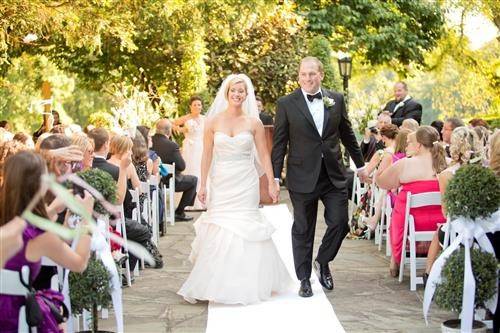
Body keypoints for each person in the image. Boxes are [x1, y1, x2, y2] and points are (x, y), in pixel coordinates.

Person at [178, 74, 292, 305]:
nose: (237, 94)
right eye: (234, 91)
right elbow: (207, 154)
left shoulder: (254, 123)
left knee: (245, 224)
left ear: (246, 95)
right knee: (220, 225)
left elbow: (263, 155)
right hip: (221, 181)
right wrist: (202, 184)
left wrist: (272, 182)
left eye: (241, 91)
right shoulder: (213, 121)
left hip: (245, 181)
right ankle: (215, 281)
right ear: (227, 93)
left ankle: (249, 281)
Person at [272, 56, 368, 297]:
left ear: (321, 75)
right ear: (298, 77)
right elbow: (280, 142)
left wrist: (361, 165)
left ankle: (323, 260)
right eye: (303, 74)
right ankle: (304, 279)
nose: (308, 78)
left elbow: (347, 134)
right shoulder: (286, 103)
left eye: (312, 74)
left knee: (340, 223)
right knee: (303, 228)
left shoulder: (335, 99)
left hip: (333, 175)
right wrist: (275, 177)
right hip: (301, 175)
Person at [0, 151, 94, 332]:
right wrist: (87, 218)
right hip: (17, 318)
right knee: (58, 319)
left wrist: (55, 210)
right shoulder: (37, 236)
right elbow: (79, 263)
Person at [376, 126, 447, 277]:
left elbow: (382, 183)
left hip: (412, 225)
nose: (406, 146)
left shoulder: (405, 164)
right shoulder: (446, 164)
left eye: (409, 143)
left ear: (419, 145)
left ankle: (395, 261)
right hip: (440, 225)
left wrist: (380, 170)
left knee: (397, 211)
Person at [424, 127, 483, 279]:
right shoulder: (485, 171)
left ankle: (428, 274)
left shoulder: (446, 175)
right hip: (484, 230)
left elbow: (446, 211)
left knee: (439, 232)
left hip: (458, 232)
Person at [152, 119, 197, 222]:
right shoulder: (171, 145)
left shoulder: (148, 141)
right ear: (169, 131)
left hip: (152, 180)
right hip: (168, 180)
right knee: (193, 180)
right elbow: (182, 166)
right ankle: (179, 212)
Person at [173, 96, 206, 210]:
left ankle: (201, 200)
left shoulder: (204, 119)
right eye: (195, 105)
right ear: (190, 107)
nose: (197, 107)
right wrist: (183, 130)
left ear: (201, 106)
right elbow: (173, 124)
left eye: (199, 105)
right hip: (190, 147)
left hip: (201, 147)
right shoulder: (186, 118)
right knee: (190, 169)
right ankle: (186, 202)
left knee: (201, 170)